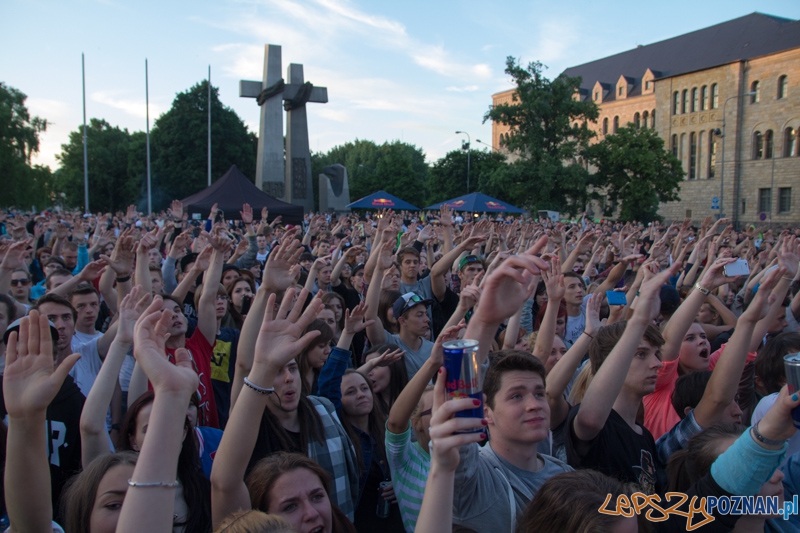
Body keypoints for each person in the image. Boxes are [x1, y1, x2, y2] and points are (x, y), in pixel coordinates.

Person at [211, 287, 359, 525]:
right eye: (277, 371)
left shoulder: (323, 410)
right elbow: (224, 484)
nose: (288, 378)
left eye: (291, 369)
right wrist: (266, 289)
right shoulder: (253, 428)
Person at [567, 262, 682, 493]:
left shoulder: (645, 436)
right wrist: (638, 321)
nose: (657, 363)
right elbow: (590, 420)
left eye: (656, 354)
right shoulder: (597, 424)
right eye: (640, 354)